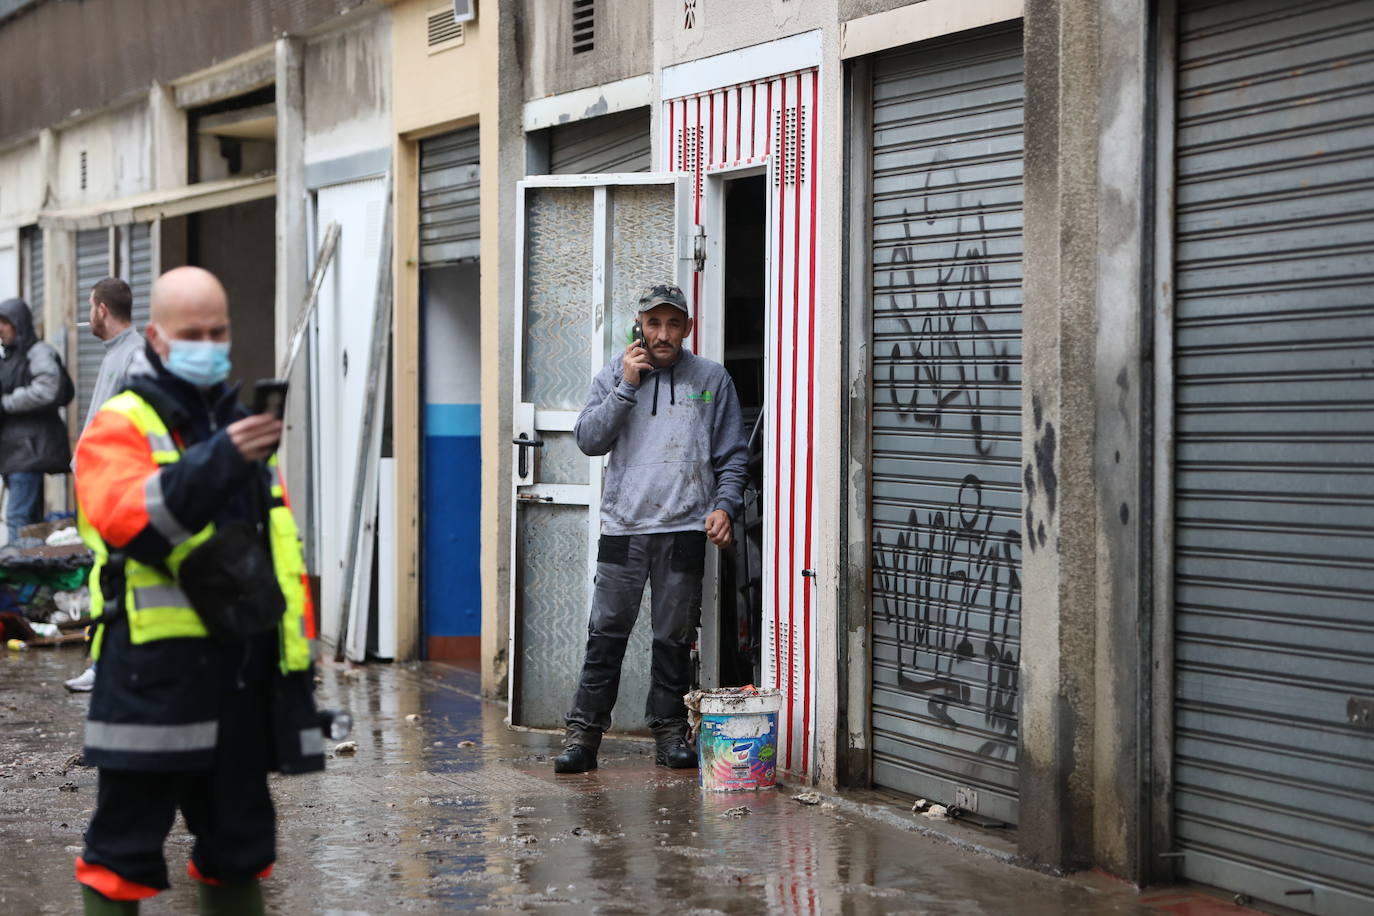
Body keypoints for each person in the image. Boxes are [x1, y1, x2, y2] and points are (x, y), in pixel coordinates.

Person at [73, 266, 322, 915]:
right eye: (191, 333)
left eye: (218, 331)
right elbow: (134, 524)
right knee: (120, 858)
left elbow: (273, 558)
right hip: (151, 684)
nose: (207, 344)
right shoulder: (120, 424)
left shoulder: (239, 428)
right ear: (156, 337)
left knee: (241, 850)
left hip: (239, 683)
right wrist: (220, 460)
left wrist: (290, 679)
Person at [554, 282, 748, 775]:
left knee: (673, 638)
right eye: (653, 323)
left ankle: (668, 734)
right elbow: (589, 441)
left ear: (687, 328)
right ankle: (583, 737)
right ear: (638, 326)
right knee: (607, 633)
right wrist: (626, 386)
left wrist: (724, 506)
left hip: (683, 528)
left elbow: (732, 455)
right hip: (623, 528)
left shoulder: (711, 379)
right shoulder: (613, 377)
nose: (662, 333)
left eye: (673, 323)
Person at [66, 278, 144, 693]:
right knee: (105, 581)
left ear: (101, 310)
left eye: (90, 306)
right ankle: (105, 661)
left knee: (116, 581)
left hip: (116, 493)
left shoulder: (133, 355)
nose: (88, 315)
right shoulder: (119, 353)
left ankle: (109, 665)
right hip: (102, 490)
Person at [0, 297, 71, 543]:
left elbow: (48, 388)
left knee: (18, 518)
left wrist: (7, 403)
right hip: (16, 453)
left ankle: (15, 577)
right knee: (29, 521)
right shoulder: (11, 357)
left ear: (19, 324)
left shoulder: (37, 352)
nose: (0, 329)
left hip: (27, 452)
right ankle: (31, 575)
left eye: (5, 323)